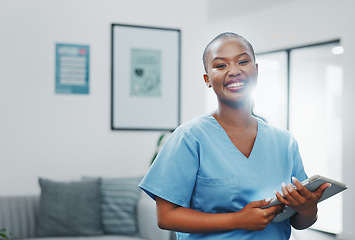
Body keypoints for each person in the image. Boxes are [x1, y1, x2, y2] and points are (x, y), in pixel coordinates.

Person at [139, 32, 330, 240]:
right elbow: (166, 217)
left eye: (243, 61)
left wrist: (309, 209)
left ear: (256, 70)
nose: (234, 71)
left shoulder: (285, 143)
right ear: (207, 80)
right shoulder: (190, 138)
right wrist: (237, 220)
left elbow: (299, 222)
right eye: (221, 66)